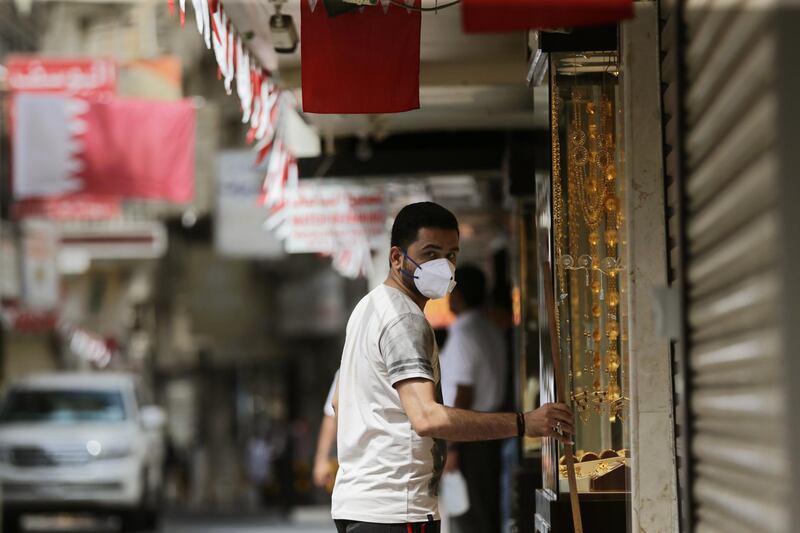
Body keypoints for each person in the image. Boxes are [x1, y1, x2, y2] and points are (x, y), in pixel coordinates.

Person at [331, 201, 574, 533]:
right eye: (430, 253)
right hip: (396, 510)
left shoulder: (368, 308)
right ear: (396, 258)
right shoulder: (404, 319)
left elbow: (338, 401)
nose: (443, 265)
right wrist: (524, 423)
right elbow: (426, 417)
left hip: (358, 505)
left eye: (451, 255)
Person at [440, 265, 507, 533]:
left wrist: (453, 448)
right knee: (484, 513)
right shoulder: (490, 329)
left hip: (470, 437)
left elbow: (463, 394)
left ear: (458, 296)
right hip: (490, 433)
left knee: (470, 519)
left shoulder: (464, 333)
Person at [313, 371, 339, 492]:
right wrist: (321, 460)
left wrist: (321, 460)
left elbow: (330, 415)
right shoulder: (345, 369)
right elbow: (331, 415)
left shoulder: (345, 367)